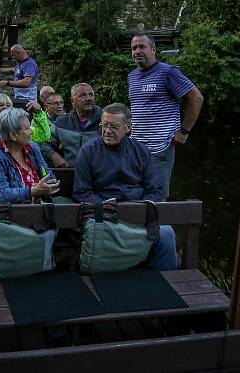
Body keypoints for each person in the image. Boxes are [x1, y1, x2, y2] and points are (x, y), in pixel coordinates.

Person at [72, 103, 176, 271]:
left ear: (128, 127)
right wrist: (108, 208)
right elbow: (81, 192)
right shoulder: (88, 151)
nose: (107, 130)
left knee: (166, 233)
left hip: (139, 213)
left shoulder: (141, 150)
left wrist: (141, 209)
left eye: (113, 126)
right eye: (104, 125)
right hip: (105, 214)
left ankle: (167, 283)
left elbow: (155, 189)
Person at [128, 33, 203, 200]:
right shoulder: (132, 76)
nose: (137, 51)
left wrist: (184, 130)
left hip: (160, 148)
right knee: (134, 194)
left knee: (157, 199)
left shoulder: (168, 72)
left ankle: (157, 226)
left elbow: (196, 98)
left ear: (153, 50)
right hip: (135, 149)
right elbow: (139, 107)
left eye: (142, 47)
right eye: (134, 48)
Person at [0, 107, 60, 204]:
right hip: (1, 214)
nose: (32, 132)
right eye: (27, 128)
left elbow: (46, 172)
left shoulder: (33, 147)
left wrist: (49, 183)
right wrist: (33, 191)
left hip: (35, 210)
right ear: (13, 135)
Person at [42, 83, 101, 168]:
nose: (88, 98)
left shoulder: (105, 120)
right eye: (83, 95)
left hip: (98, 175)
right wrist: (55, 156)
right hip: (70, 173)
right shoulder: (62, 122)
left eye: (91, 95)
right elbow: (45, 145)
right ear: (73, 101)